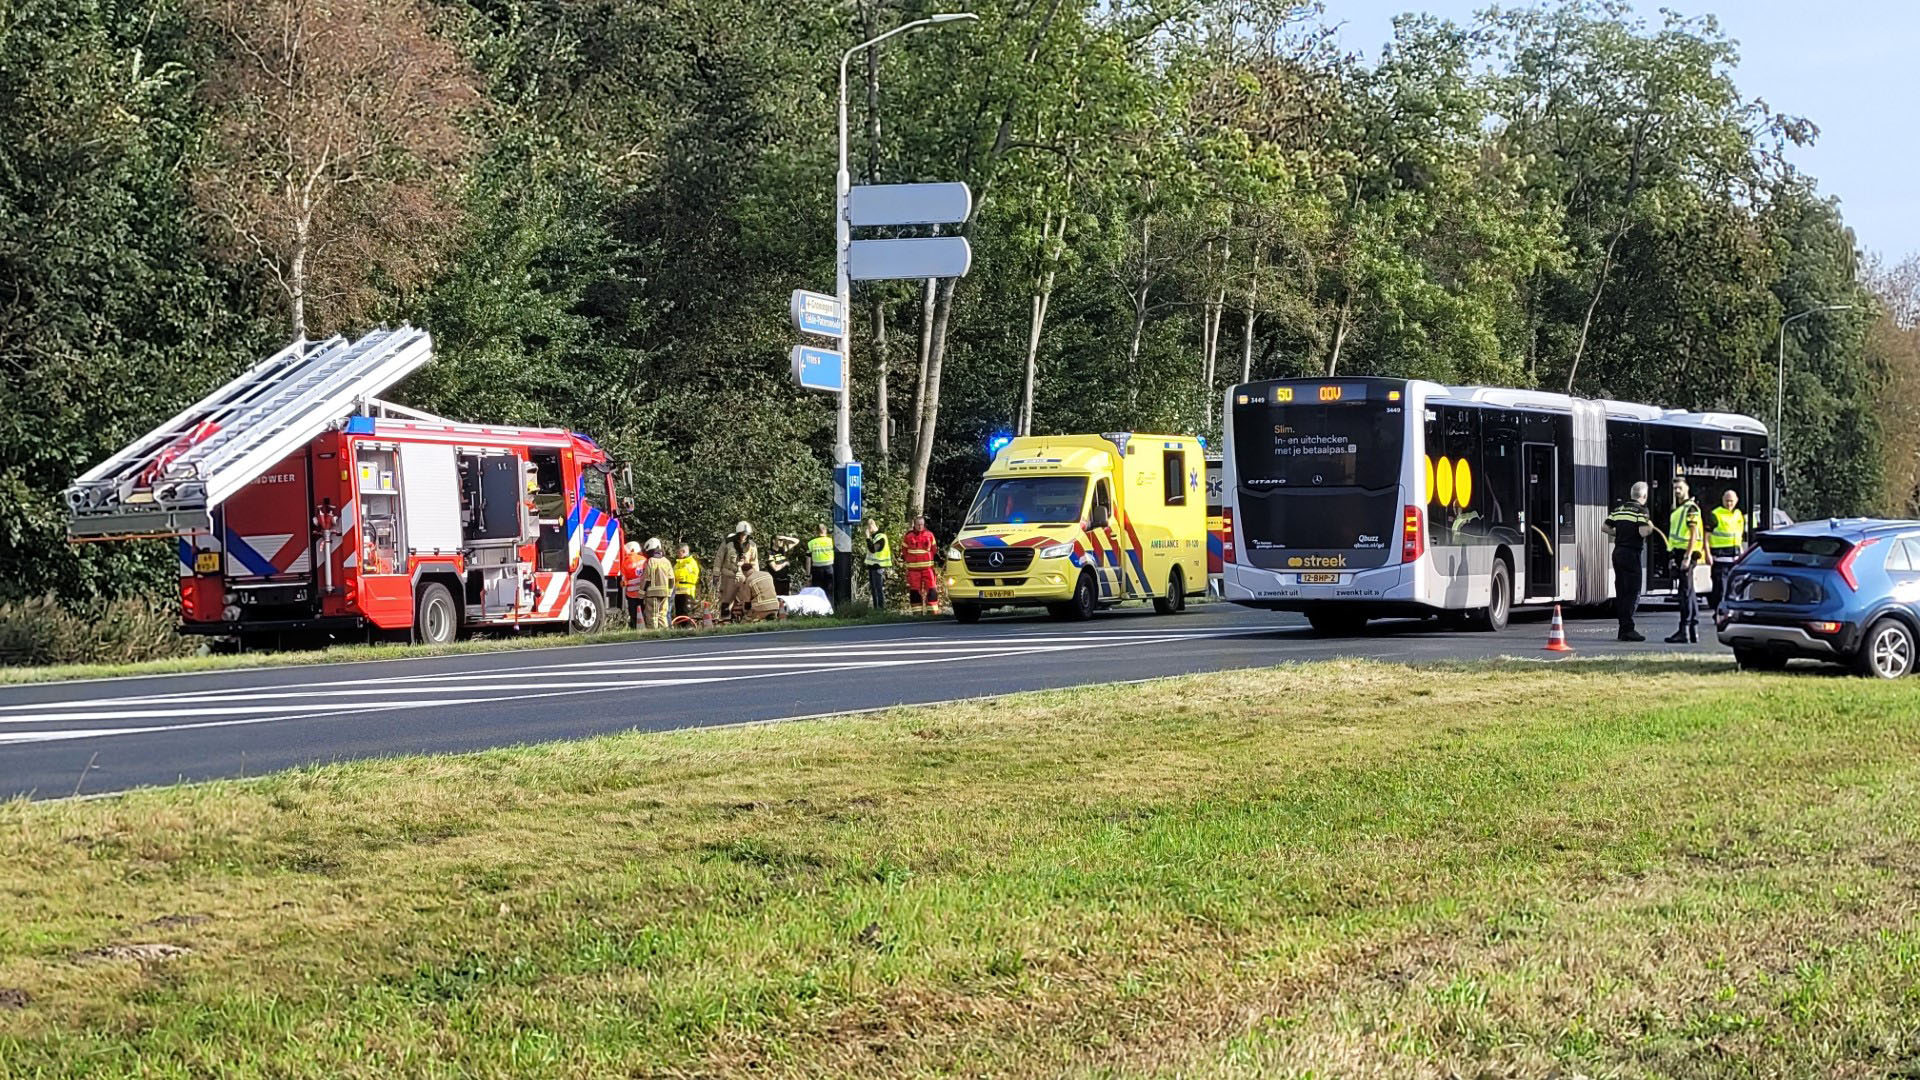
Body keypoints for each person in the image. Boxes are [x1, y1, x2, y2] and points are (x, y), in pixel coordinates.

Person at [1602, 482, 1654, 642]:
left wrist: (1619, 533)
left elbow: (1605, 527)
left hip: (1618, 552)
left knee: (1622, 591)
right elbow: (1642, 531)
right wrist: (1650, 527)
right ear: (1644, 496)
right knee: (1633, 591)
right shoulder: (1641, 510)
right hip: (1632, 553)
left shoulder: (1619, 509)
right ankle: (1628, 629)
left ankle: (1623, 628)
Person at [1665, 478, 1708, 644]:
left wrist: (1687, 557)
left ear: (1687, 489)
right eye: (1675, 488)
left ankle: (1686, 629)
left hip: (1686, 554)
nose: (1677, 491)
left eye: (1680, 488)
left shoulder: (1690, 508)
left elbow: (1693, 534)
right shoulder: (1678, 510)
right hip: (1679, 554)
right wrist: (1671, 556)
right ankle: (1690, 630)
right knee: (1688, 592)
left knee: (1685, 593)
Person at [1707, 488, 1747, 607]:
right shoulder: (1716, 514)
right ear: (1722, 500)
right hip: (1720, 558)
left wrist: (1742, 552)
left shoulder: (1738, 514)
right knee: (1720, 588)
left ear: (1736, 501)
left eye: (1731, 501)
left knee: (1733, 587)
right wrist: (1707, 553)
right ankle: (1718, 611)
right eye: (1727, 501)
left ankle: (1727, 611)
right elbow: (1706, 536)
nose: (1729, 504)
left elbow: (1739, 535)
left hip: (1734, 558)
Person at [902, 515, 940, 614]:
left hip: (928, 568)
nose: (920, 526)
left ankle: (933, 612)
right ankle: (917, 612)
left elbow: (934, 550)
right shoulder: (908, 536)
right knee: (915, 591)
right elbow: (904, 550)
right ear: (914, 525)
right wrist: (909, 560)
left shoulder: (929, 535)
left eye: (922, 524)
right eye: (918, 524)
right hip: (913, 570)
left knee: (932, 589)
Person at [727, 556, 782, 621]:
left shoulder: (749, 580)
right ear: (752, 568)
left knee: (747, 620)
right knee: (772, 621)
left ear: (744, 572)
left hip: (761, 608)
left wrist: (745, 611)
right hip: (775, 606)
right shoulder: (767, 574)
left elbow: (747, 601)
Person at [713, 522, 748, 609]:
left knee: (743, 599)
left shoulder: (748, 545)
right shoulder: (727, 544)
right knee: (726, 600)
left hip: (742, 577)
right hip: (728, 576)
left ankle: (741, 618)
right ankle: (725, 619)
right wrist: (716, 574)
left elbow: (753, 562)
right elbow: (719, 559)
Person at [643, 537, 674, 630]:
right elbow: (672, 579)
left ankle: (653, 634)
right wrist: (669, 592)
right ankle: (665, 633)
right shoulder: (666, 561)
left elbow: (647, 579)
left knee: (652, 615)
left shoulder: (651, 561)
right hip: (665, 593)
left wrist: (642, 592)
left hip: (653, 594)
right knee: (662, 615)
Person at [863, 518, 892, 610]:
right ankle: (876, 608)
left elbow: (873, 549)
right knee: (874, 588)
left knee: (878, 588)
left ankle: (880, 608)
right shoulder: (875, 537)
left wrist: (867, 538)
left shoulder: (881, 537)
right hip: (873, 566)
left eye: (867, 529)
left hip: (879, 566)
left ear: (870, 527)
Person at [622, 540, 647, 629]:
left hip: (631, 595)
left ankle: (634, 628)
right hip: (643, 593)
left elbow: (623, 582)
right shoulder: (644, 560)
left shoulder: (625, 562)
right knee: (645, 613)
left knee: (634, 614)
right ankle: (646, 628)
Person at [672, 543, 700, 621]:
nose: (677, 554)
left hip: (687, 592)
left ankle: (688, 630)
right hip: (678, 592)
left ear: (684, 551)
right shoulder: (678, 563)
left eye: (678, 552)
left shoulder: (690, 563)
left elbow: (680, 575)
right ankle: (681, 630)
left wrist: (674, 575)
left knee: (686, 613)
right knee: (679, 614)